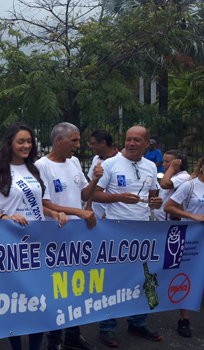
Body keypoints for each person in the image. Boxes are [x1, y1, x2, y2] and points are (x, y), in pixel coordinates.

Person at [0, 122, 67, 350]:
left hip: (38, 244)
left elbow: (41, 207)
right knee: (15, 302)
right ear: (10, 143)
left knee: (39, 300)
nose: (26, 145)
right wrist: (5, 217)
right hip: (11, 244)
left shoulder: (35, 170)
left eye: (29, 141)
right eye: (21, 141)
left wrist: (56, 212)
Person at [92, 126, 163, 347]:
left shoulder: (151, 165)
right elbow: (94, 194)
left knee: (143, 279)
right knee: (113, 281)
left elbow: (154, 194)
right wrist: (120, 197)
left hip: (143, 232)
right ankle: (107, 327)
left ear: (147, 143)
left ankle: (138, 322)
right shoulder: (110, 164)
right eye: (128, 139)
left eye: (137, 140)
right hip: (115, 231)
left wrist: (156, 202)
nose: (131, 143)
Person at [35, 123, 102, 350]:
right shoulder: (41, 166)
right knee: (56, 290)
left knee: (75, 289)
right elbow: (43, 203)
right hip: (54, 237)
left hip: (77, 237)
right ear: (59, 141)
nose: (79, 145)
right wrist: (78, 212)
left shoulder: (73, 163)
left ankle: (73, 335)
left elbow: (83, 194)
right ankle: (54, 341)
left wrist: (94, 180)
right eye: (74, 140)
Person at [164, 156, 204, 338]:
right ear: (201, 166)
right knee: (188, 278)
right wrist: (193, 216)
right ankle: (184, 319)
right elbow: (169, 207)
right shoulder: (190, 185)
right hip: (192, 238)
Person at [86, 129, 120, 219]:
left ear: (103, 143)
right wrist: (88, 206)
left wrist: (107, 214)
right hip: (95, 214)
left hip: (112, 216)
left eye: (93, 144)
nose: (92, 147)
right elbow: (91, 184)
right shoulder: (96, 159)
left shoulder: (121, 160)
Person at [156, 150, 190, 221]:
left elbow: (164, 184)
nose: (164, 164)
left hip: (170, 221)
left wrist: (172, 168)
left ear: (178, 163)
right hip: (161, 220)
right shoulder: (170, 176)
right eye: (163, 161)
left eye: (167, 162)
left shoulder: (184, 176)